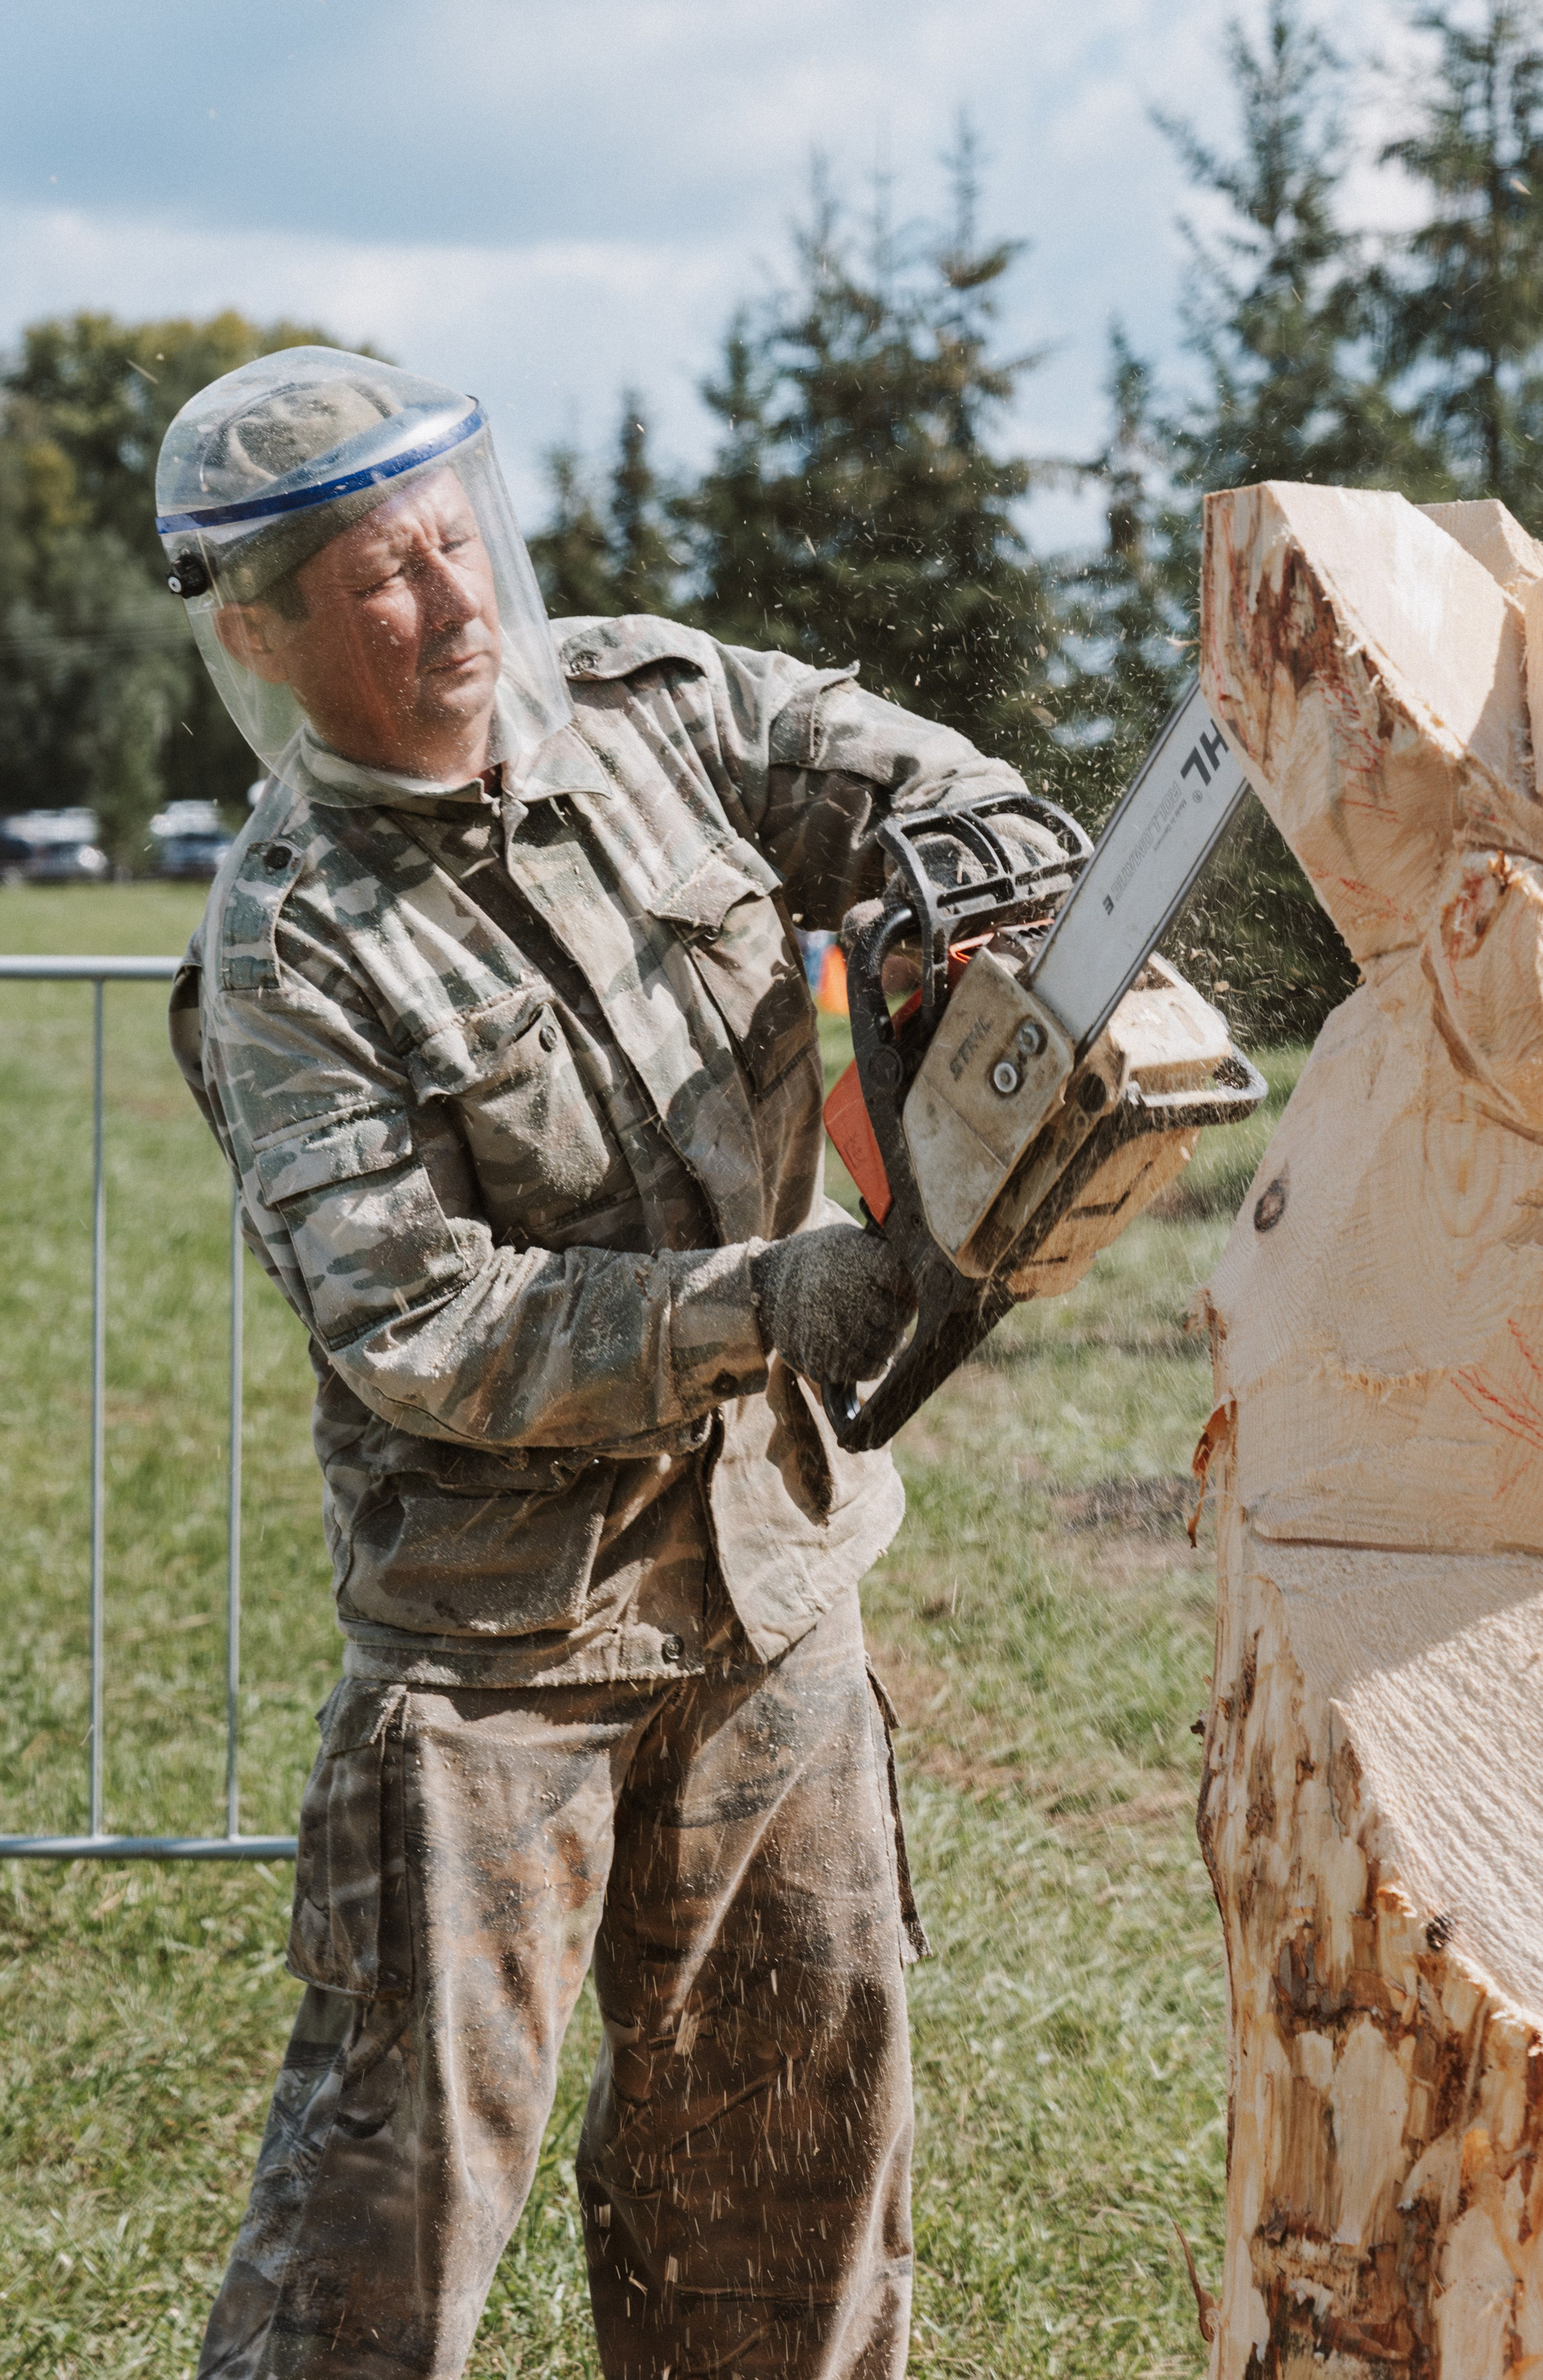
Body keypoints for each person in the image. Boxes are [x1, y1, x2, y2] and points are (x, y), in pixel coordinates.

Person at [159, 348, 1039, 2380]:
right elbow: (425, 1322)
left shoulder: (659, 708)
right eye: (376, 580)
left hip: (770, 1581)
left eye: (453, 542)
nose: (449, 601)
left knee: (793, 2170)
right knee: (385, 2227)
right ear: (263, 638)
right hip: (499, 1653)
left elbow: (885, 773)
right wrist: (770, 1304)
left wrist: (980, 863)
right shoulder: (289, 948)